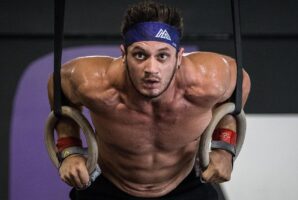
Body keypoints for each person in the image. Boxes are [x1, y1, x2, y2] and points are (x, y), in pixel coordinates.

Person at [47, 1, 251, 199]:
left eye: (162, 56)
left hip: (183, 184)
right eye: (140, 55)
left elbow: (239, 86)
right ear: (124, 54)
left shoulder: (208, 80)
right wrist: (70, 150)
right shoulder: (95, 83)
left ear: (179, 57)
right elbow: (58, 88)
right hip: (110, 184)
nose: (151, 69)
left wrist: (224, 147)